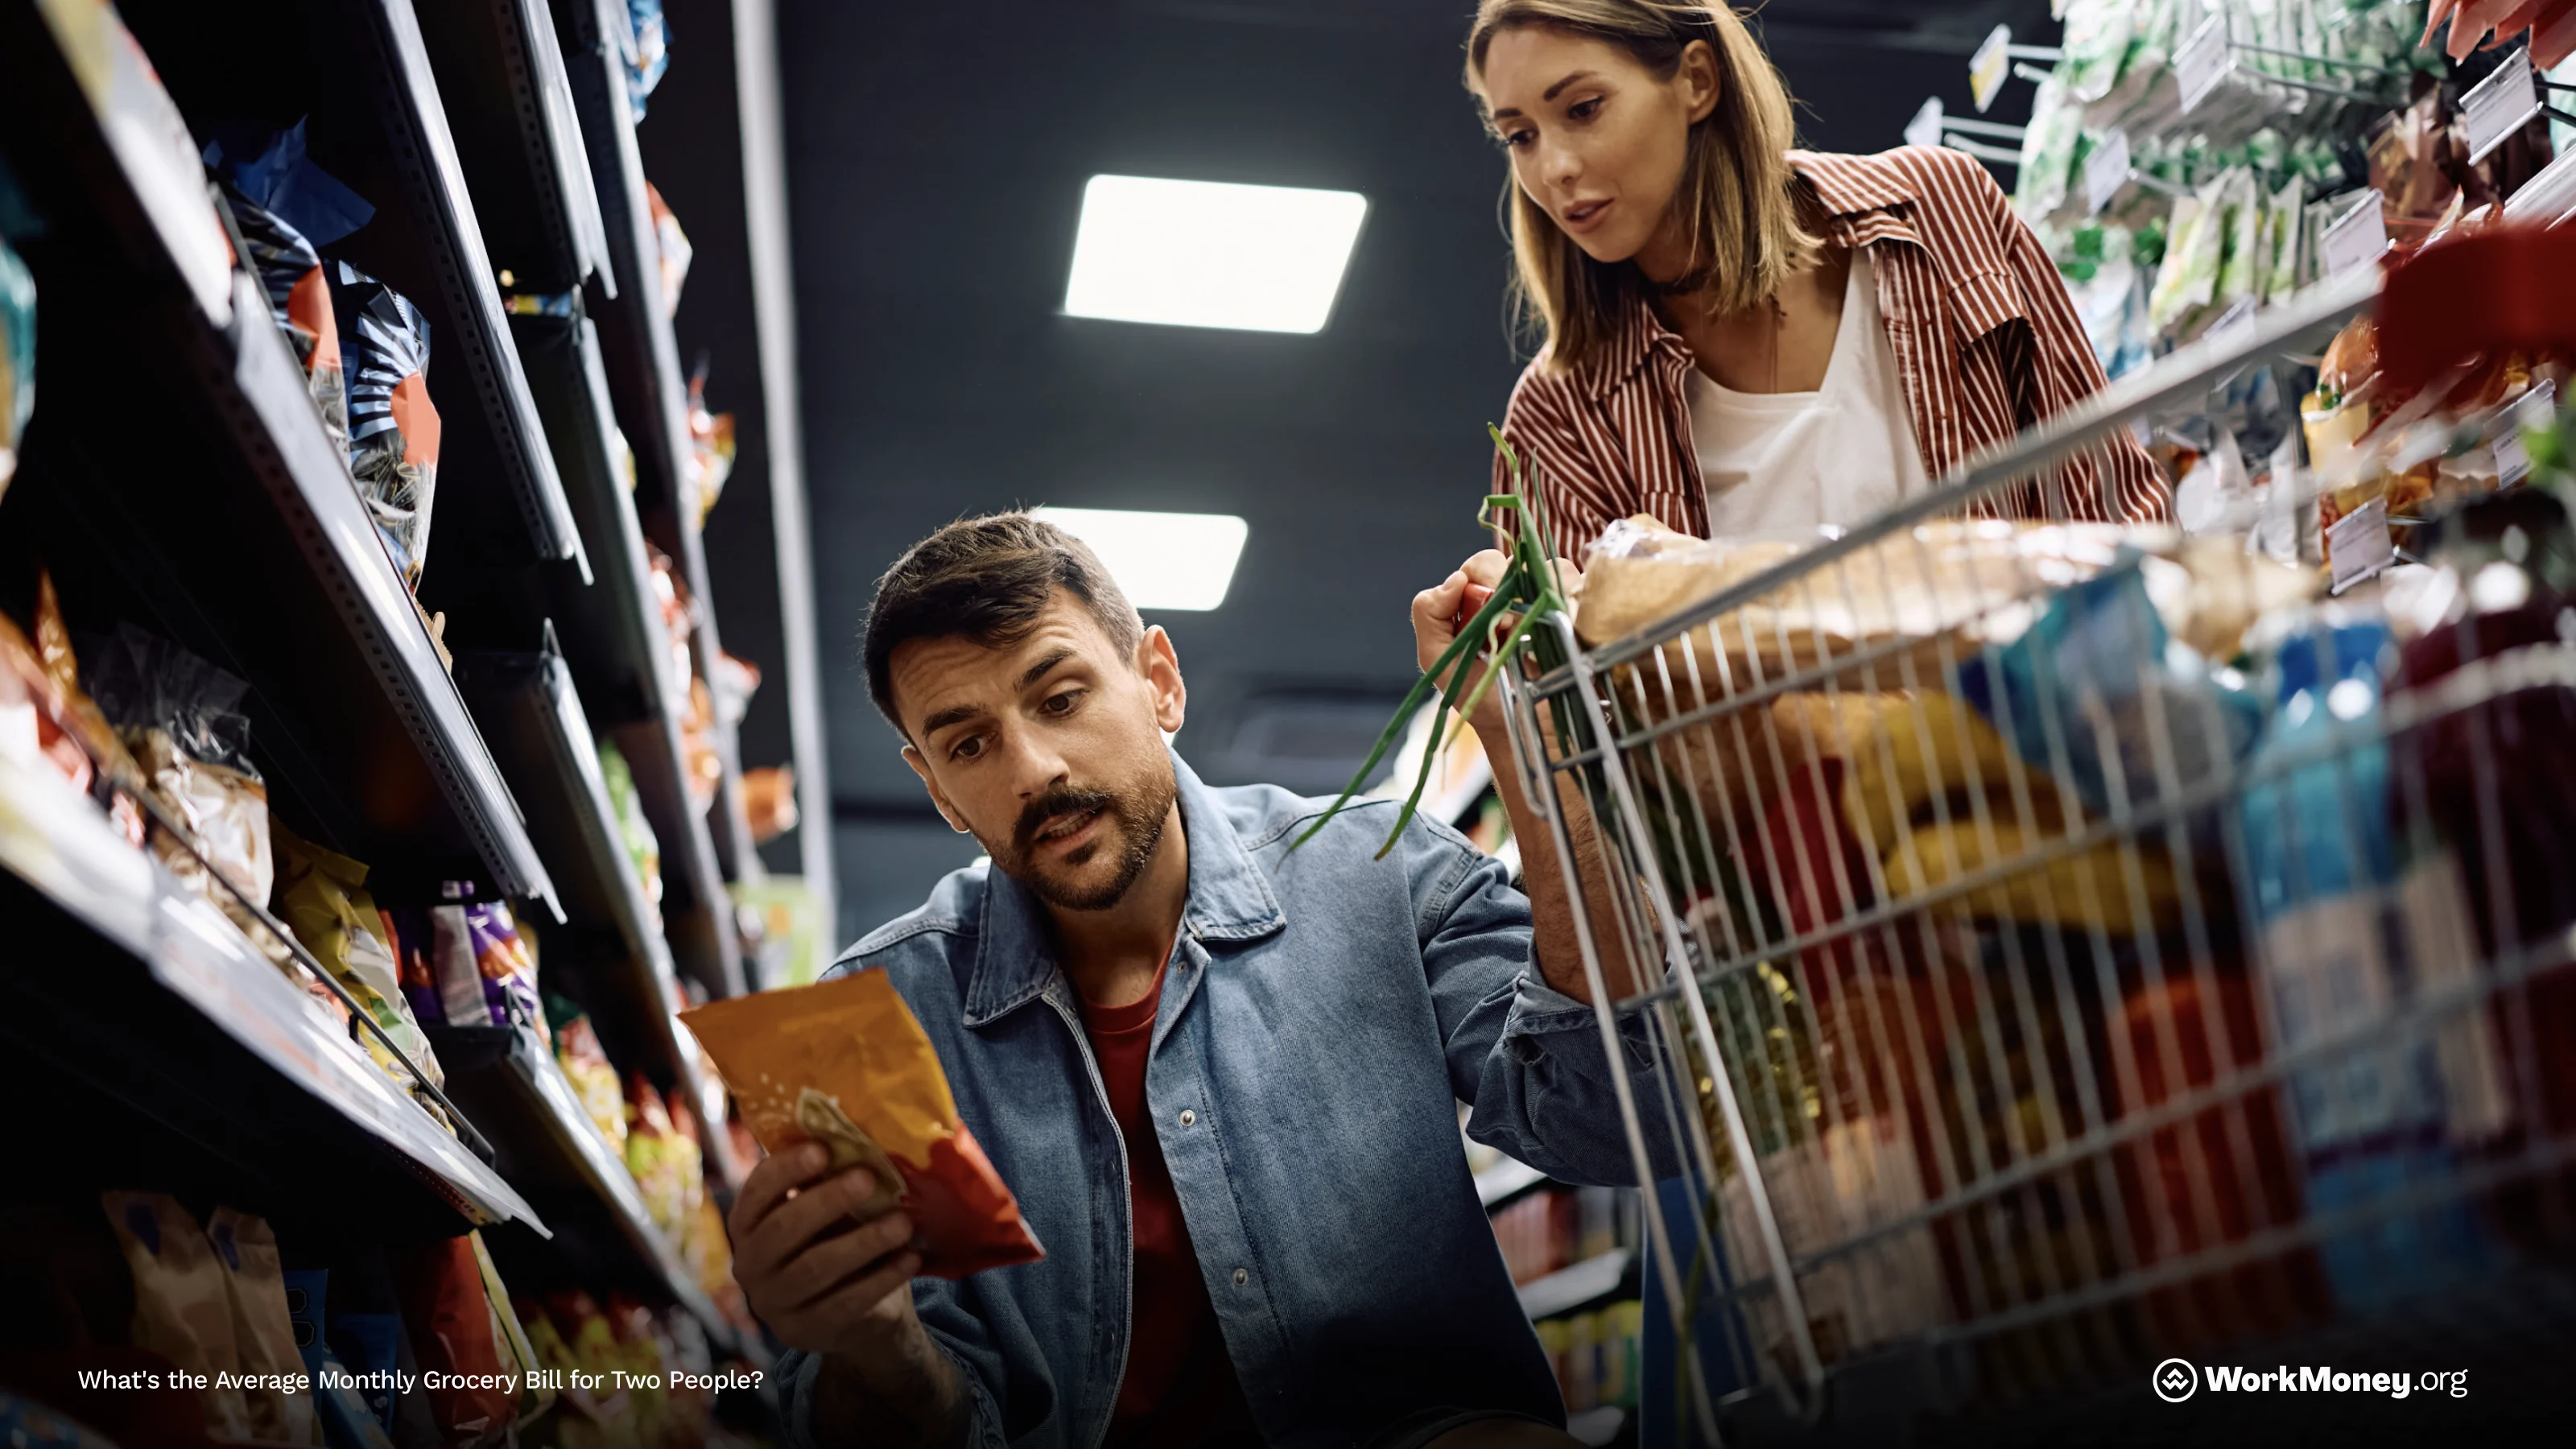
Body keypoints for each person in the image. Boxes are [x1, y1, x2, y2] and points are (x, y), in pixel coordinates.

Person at [733, 514, 1672, 1449]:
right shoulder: (884, 1016)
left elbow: (1626, 1121)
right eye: (968, 746)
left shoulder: (1379, 871)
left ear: (1159, 682)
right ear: (937, 790)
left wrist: (1527, 746)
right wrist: (874, 1343)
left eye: (1059, 698)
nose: (1034, 770)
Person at [1467, 0, 2170, 558]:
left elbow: (2110, 493)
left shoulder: (1935, 212)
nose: (1552, 168)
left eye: (1583, 109)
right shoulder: (1560, 415)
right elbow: (1589, 717)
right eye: (1520, 136)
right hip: (1789, 746)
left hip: (2036, 729)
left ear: (1697, 81)